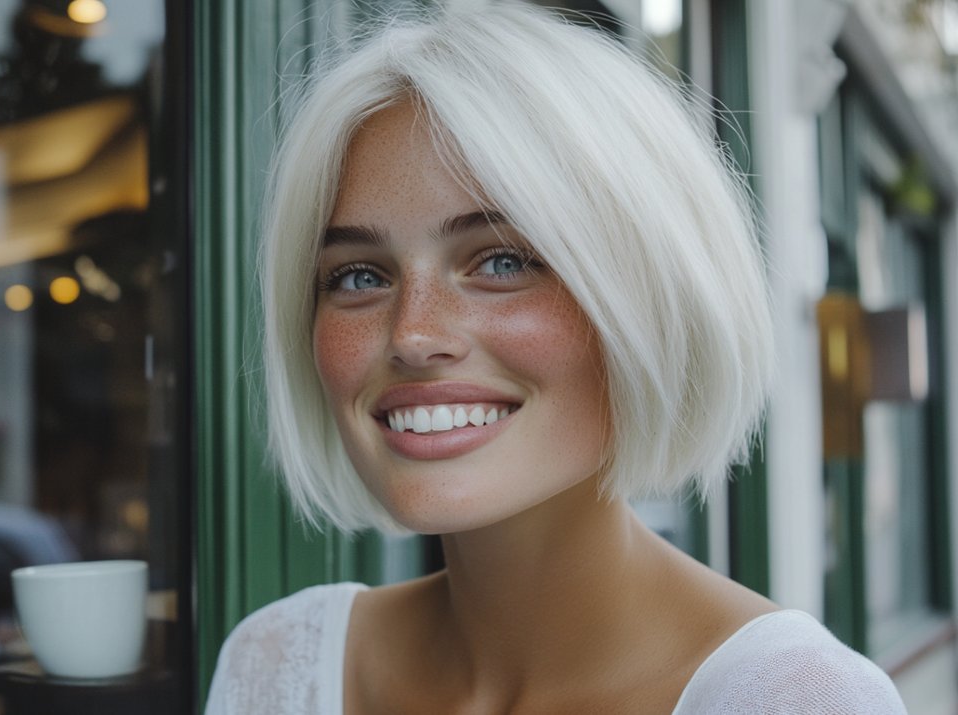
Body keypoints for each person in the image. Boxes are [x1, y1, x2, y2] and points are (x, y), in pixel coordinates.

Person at [205, 2, 907, 712]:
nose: (413, 334)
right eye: (360, 276)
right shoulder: (275, 667)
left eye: (502, 261)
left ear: (651, 296)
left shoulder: (799, 699)